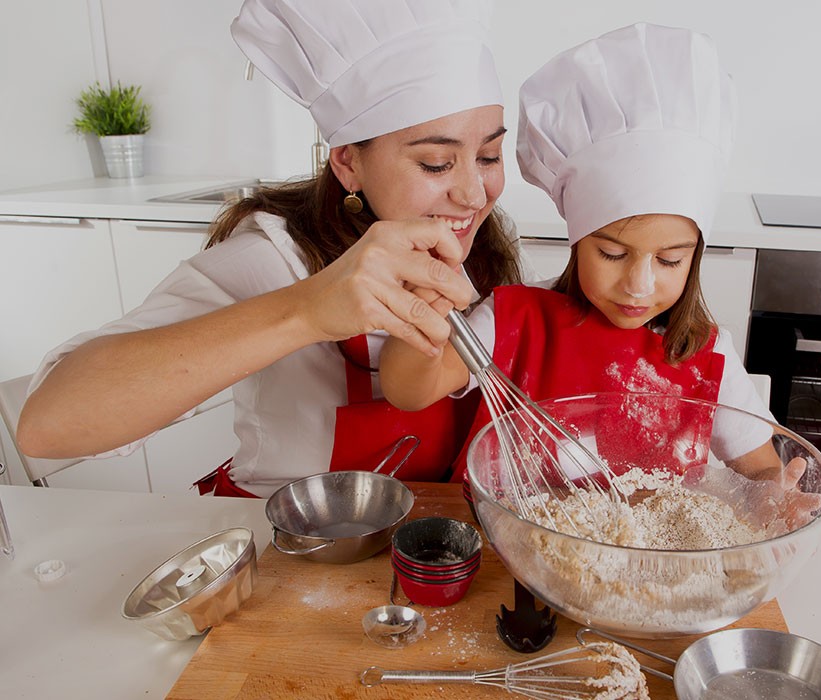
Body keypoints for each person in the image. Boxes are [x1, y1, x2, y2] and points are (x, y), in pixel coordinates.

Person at [16, 0, 525, 497]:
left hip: (436, 542)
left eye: (488, 155)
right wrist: (306, 311)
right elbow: (48, 425)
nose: (474, 195)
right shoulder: (273, 260)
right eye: (436, 163)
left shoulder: (485, 252)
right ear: (348, 163)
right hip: (293, 552)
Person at [380, 23, 821, 522]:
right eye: (612, 254)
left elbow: (761, 467)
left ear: (694, 256)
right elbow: (408, 390)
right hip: (509, 556)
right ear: (576, 241)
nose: (639, 284)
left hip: (652, 574)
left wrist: (770, 494)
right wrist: (427, 303)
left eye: (670, 260)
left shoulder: (703, 353)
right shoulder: (513, 320)